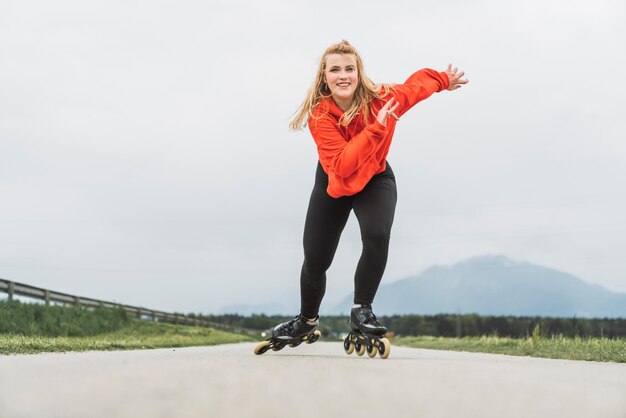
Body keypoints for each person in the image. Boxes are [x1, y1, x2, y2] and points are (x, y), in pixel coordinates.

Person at [271, 40, 468, 343]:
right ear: (325, 77)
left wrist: (442, 80)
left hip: (375, 179)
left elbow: (416, 87)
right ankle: (306, 320)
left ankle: (362, 310)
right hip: (334, 183)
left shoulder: (384, 99)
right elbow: (344, 165)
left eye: (349, 68)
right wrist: (376, 128)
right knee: (316, 259)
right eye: (335, 70)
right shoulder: (320, 115)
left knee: (377, 235)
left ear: (359, 72)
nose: (343, 75)